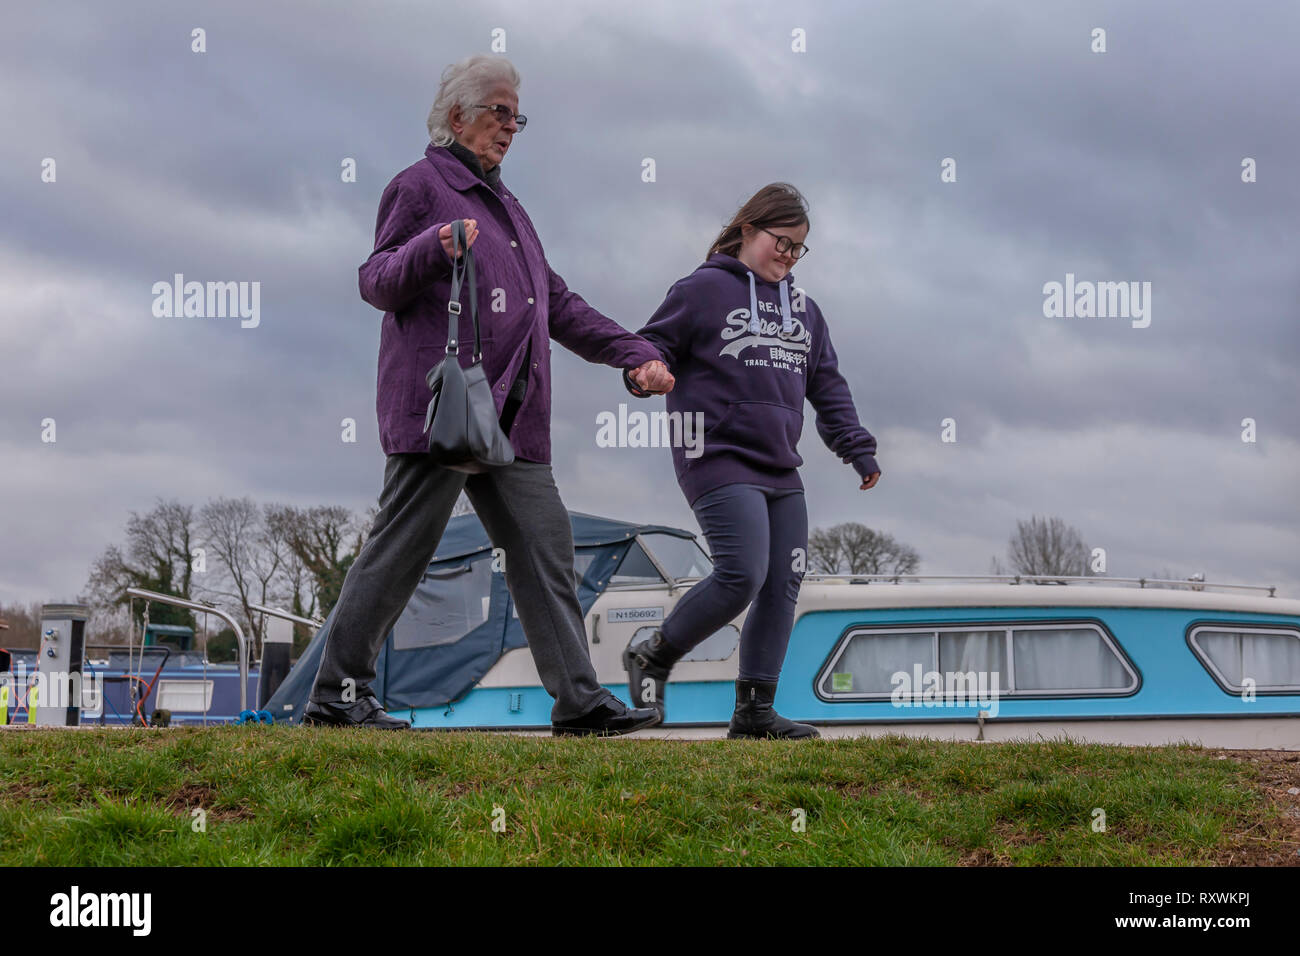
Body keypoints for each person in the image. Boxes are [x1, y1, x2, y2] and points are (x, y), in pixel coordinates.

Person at [305, 54, 674, 735]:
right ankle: (335, 695)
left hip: (515, 420)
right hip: (443, 410)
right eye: (498, 112)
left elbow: (557, 306)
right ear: (457, 117)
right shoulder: (419, 187)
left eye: (516, 116)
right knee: (401, 552)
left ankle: (580, 703)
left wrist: (635, 353)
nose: (510, 127)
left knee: (545, 547)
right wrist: (434, 247)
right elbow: (377, 280)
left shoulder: (511, 209)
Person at [622, 183, 881, 739]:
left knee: (783, 581)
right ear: (747, 230)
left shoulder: (805, 311)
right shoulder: (701, 290)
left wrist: (856, 447)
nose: (786, 256)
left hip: (779, 464)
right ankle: (652, 654)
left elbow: (827, 386)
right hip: (714, 451)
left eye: (797, 249)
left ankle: (754, 713)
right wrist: (645, 373)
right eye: (779, 242)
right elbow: (651, 345)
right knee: (742, 571)